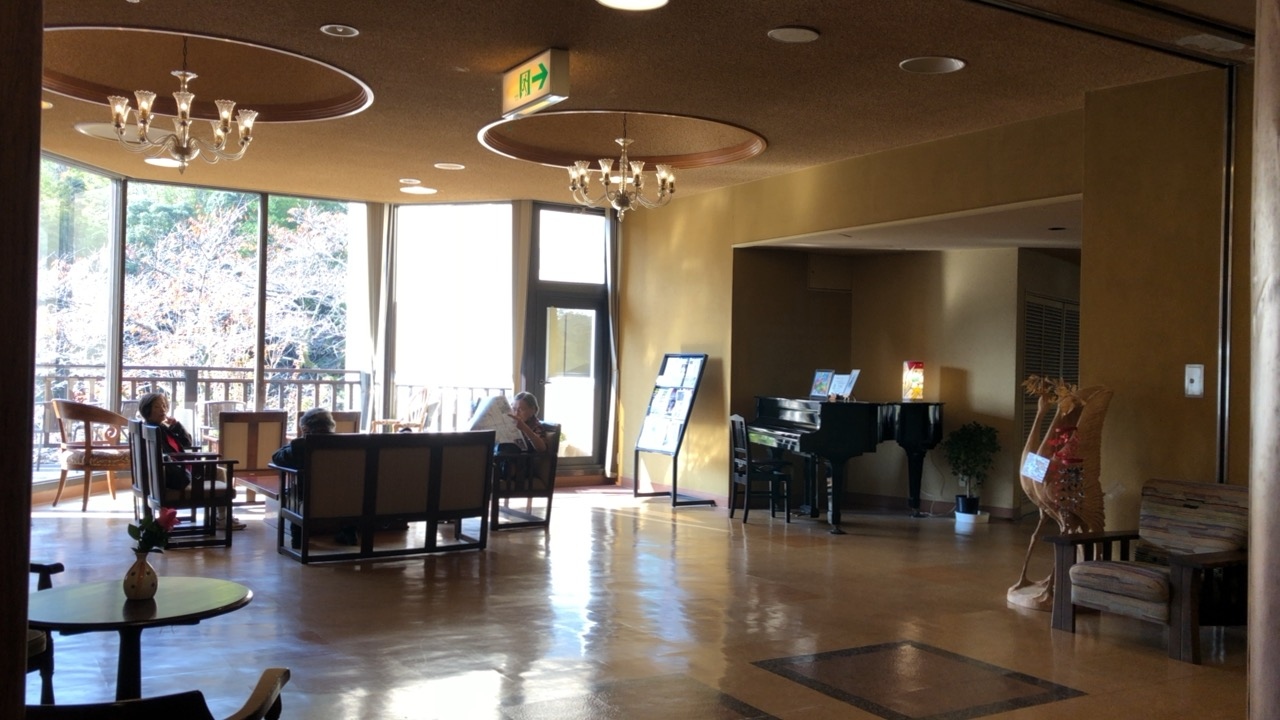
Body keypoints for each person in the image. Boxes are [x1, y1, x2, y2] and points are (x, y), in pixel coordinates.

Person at [136, 392, 245, 530]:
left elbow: (187, 443)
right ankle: (222, 518)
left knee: (218, 472)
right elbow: (167, 457)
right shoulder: (155, 431)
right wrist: (185, 466)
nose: (162, 409)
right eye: (157, 407)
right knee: (218, 472)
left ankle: (219, 517)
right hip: (176, 475)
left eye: (164, 405)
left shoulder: (158, 428)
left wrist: (176, 425)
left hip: (180, 469)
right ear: (147, 410)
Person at [271, 408, 353, 546]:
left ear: (305, 428)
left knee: (294, 492)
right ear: (331, 425)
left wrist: (297, 441)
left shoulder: (301, 446)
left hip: (310, 498)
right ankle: (348, 533)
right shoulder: (349, 444)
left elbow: (277, 457)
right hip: (346, 498)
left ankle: (298, 538)